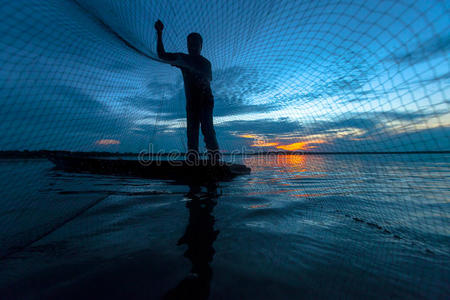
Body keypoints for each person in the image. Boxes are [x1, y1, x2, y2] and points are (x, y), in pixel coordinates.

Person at [154, 20, 220, 163]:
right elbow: (161, 54)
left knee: (208, 131)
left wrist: (188, 67)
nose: (193, 46)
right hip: (192, 103)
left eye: (196, 44)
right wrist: (159, 32)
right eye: (190, 44)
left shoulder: (205, 63)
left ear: (201, 46)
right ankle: (192, 163)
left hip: (206, 101)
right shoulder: (183, 58)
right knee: (191, 133)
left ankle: (215, 162)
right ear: (187, 45)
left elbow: (207, 78)